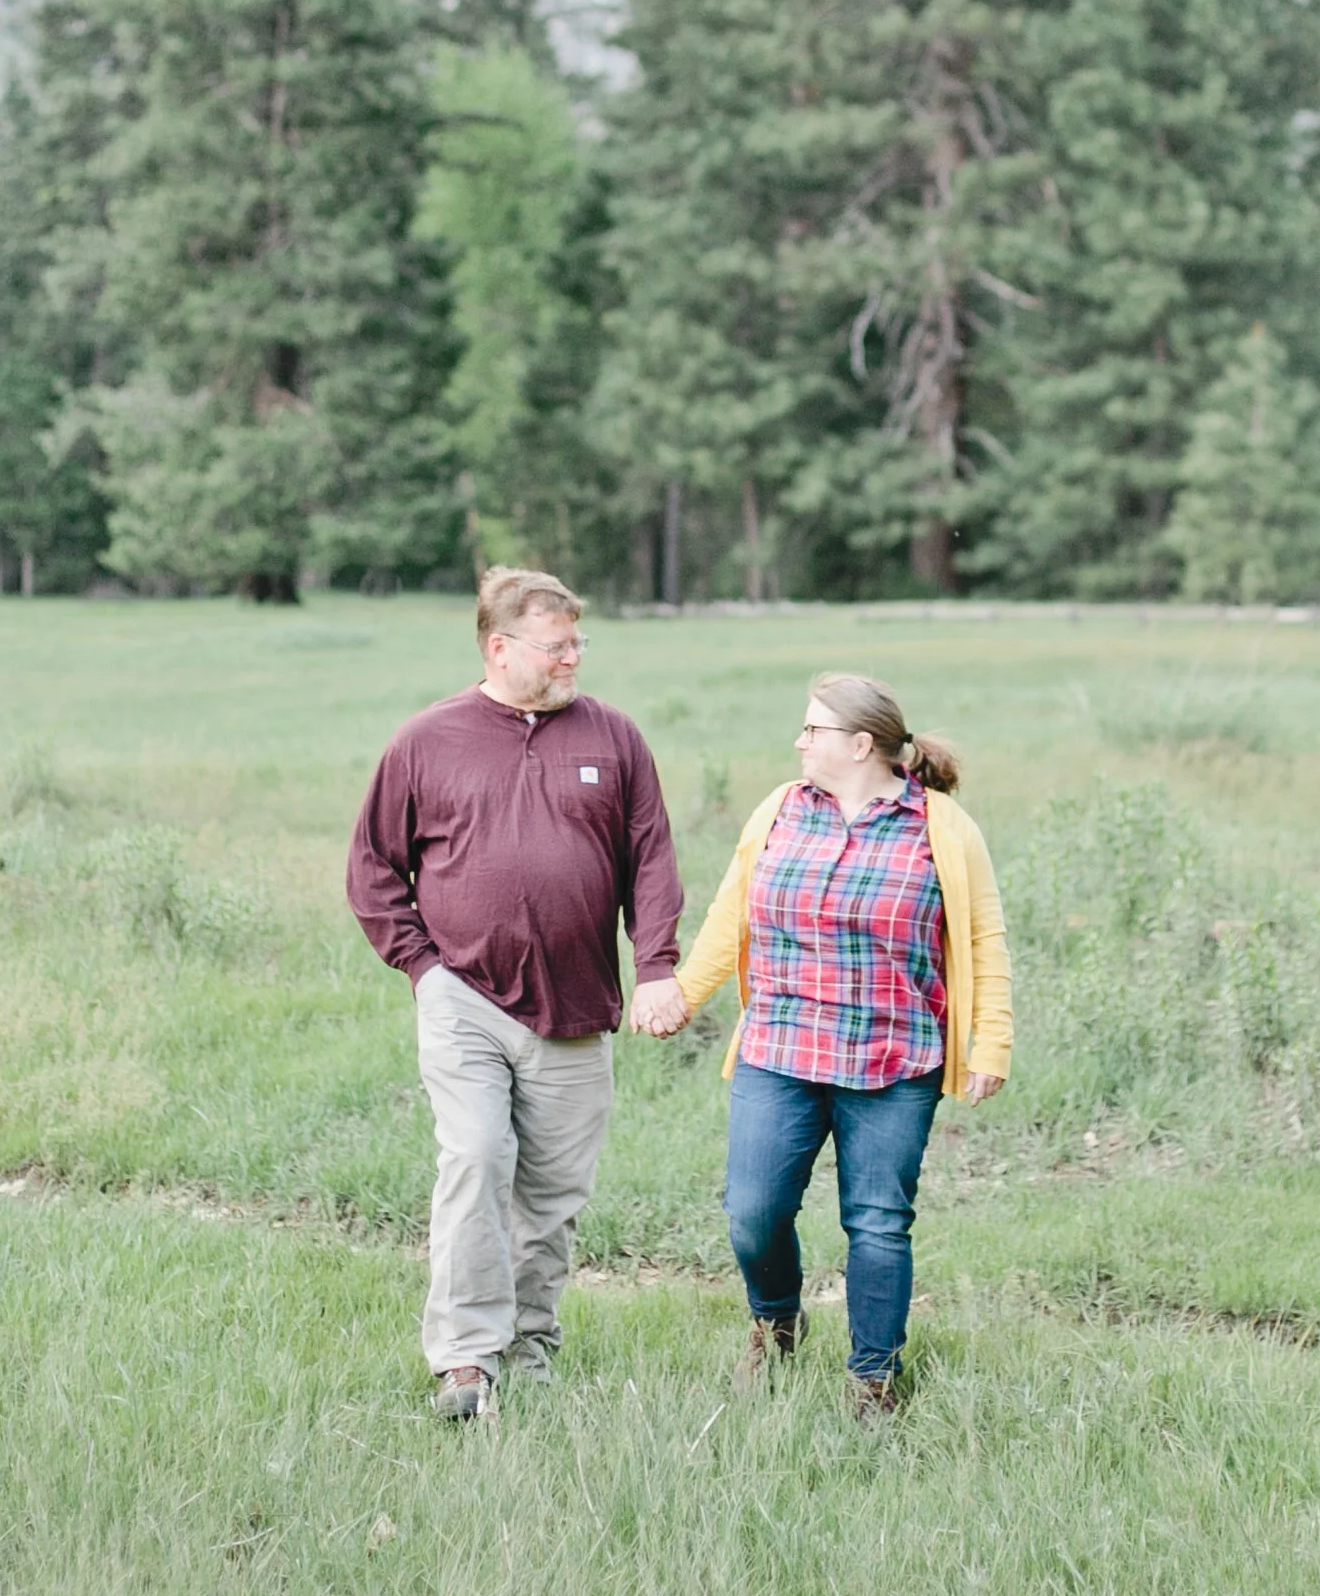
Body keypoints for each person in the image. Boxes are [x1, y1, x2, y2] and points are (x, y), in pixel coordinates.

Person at [347, 567, 682, 1421]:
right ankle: (464, 1361)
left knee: (552, 1197)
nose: (573, 657)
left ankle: (529, 1344)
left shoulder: (614, 739)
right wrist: (423, 969)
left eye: (578, 643)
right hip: (462, 995)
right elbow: (375, 871)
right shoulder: (426, 740)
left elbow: (650, 861)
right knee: (475, 1160)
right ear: (500, 648)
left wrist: (656, 966)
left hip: (575, 1007)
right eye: (556, 645)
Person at [630, 671, 1011, 1417]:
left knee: (877, 1221)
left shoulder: (941, 827)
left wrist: (989, 1043)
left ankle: (873, 1379)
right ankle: (776, 1321)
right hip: (781, 1048)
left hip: (894, 1058)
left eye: (814, 730)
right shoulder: (780, 809)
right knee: (753, 1212)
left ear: (861, 744)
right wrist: (681, 993)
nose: (800, 741)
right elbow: (730, 915)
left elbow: (981, 937)